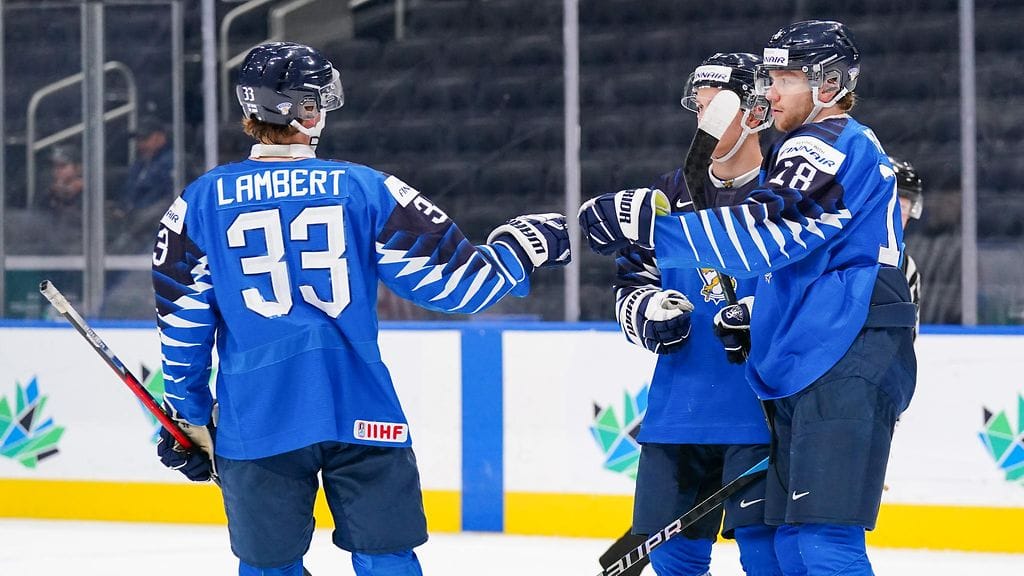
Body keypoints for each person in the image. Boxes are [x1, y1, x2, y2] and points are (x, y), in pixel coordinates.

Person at [151, 41, 571, 576]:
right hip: (359, 405)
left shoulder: (198, 203)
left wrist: (186, 416)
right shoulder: (364, 188)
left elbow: (181, 326)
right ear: (304, 110)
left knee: (268, 567)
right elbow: (460, 287)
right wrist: (521, 249)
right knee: (387, 557)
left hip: (258, 414)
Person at [578, 20, 917, 576]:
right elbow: (636, 280)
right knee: (795, 547)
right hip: (773, 379)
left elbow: (768, 237)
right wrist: (646, 310)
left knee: (811, 546)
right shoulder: (689, 185)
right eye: (770, 78)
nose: (772, 90)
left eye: (786, 77)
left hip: (813, 372)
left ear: (829, 83)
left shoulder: (818, 146)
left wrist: (655, 231)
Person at [601, 53, 780, 576]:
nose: (703, 123)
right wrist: (647, 311)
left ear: (755, 113)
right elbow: (629, 285)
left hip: (761, 412)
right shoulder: (662, 197)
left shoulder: (789, 194)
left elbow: (813, 288)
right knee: (672, 559)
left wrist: (763, 312)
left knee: (767, 556)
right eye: (698, 110)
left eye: (715, 110)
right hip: (678, 411)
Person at [890, 155, 923, 336]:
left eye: (903, 208)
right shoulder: (836, 254)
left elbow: (907, 339)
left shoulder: (907, 267)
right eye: (892, 205)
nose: (896, 215)